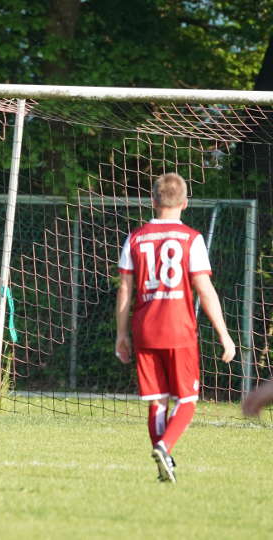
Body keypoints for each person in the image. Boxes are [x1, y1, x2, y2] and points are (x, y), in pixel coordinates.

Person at [115, 172, 235, 482]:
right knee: (187, 400)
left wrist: (122, 334)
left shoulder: (136, 237)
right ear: (184, 203)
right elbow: (204, 289)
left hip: (145, 329)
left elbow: (125, 289)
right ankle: (166, 446)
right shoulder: (191, 239)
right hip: (178, 329)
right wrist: (224, 334)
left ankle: (163, 460)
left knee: (157, 401)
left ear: (153, 201)